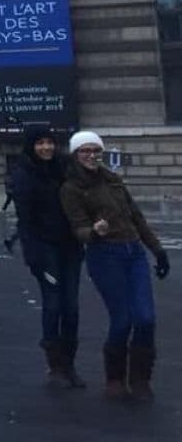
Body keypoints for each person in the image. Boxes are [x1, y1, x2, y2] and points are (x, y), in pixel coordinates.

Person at [60, 131, 169, 401]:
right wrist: (95, 232)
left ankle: (141, 379)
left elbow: (137, 219)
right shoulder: (70, 188)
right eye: (84, 151)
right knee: (122, 320)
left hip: (134, 253)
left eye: (95, 150)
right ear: (75, 155)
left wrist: (158, 250)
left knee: (146, 318)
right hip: (104, 256)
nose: (91, 155)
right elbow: (79, 229)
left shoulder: (114, 181)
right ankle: (115, 378)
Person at [9, 125, 85, 390]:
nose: (46, 147)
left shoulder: (63, 168)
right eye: (40, 143)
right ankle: (55, 367)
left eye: (50, 142)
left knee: (72, 308)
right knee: (53, 305)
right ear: (32, 146)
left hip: (70, 248)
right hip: (45, 250)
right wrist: (33, 256)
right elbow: (25, 221)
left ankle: (69, 364)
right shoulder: (23, 175)